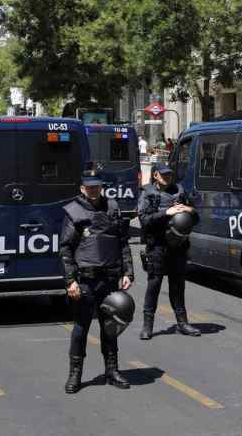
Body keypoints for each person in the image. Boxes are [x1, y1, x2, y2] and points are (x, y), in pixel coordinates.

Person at [60, 170, 135, 394]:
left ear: (101, 186)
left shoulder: (112, 208)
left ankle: (112, 371)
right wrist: (70, 281)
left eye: (97, 186)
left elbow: (122, 242)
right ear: (82, 188)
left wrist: (127, 273)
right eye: (89, 187)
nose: (93, 190)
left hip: (110, 279)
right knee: (81, 329)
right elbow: (66, 249)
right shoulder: (74, 211)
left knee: (110, 328)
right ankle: (75, 374)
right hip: (85, 281)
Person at [137, 163, 200, 339]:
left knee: (178, 286)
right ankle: (147, 326)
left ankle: (183, 323)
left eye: (170, 174)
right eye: (164, 174)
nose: (168, 177)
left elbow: (195, 217)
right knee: (154, 285)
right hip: (157, 246)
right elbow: (144, 221)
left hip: (178, 247)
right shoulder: (147, 193)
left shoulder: (179, 191)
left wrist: (190, 210)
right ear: (155, 175)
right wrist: (167, 212)